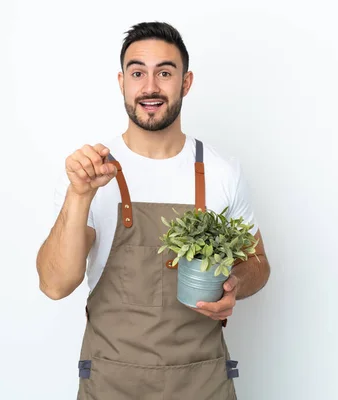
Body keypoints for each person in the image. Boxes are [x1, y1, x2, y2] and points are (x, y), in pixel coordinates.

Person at [36, 21, 270, 400]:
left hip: (202, 384)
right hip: (111, 385)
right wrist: (79, 196)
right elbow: (55, 284)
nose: (149, 87)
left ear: (186, 82)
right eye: (137, 73)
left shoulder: (222, 171)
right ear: (121, 81)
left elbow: (258, 262)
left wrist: (236, 283)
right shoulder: (91, 171)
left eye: (164, 72)